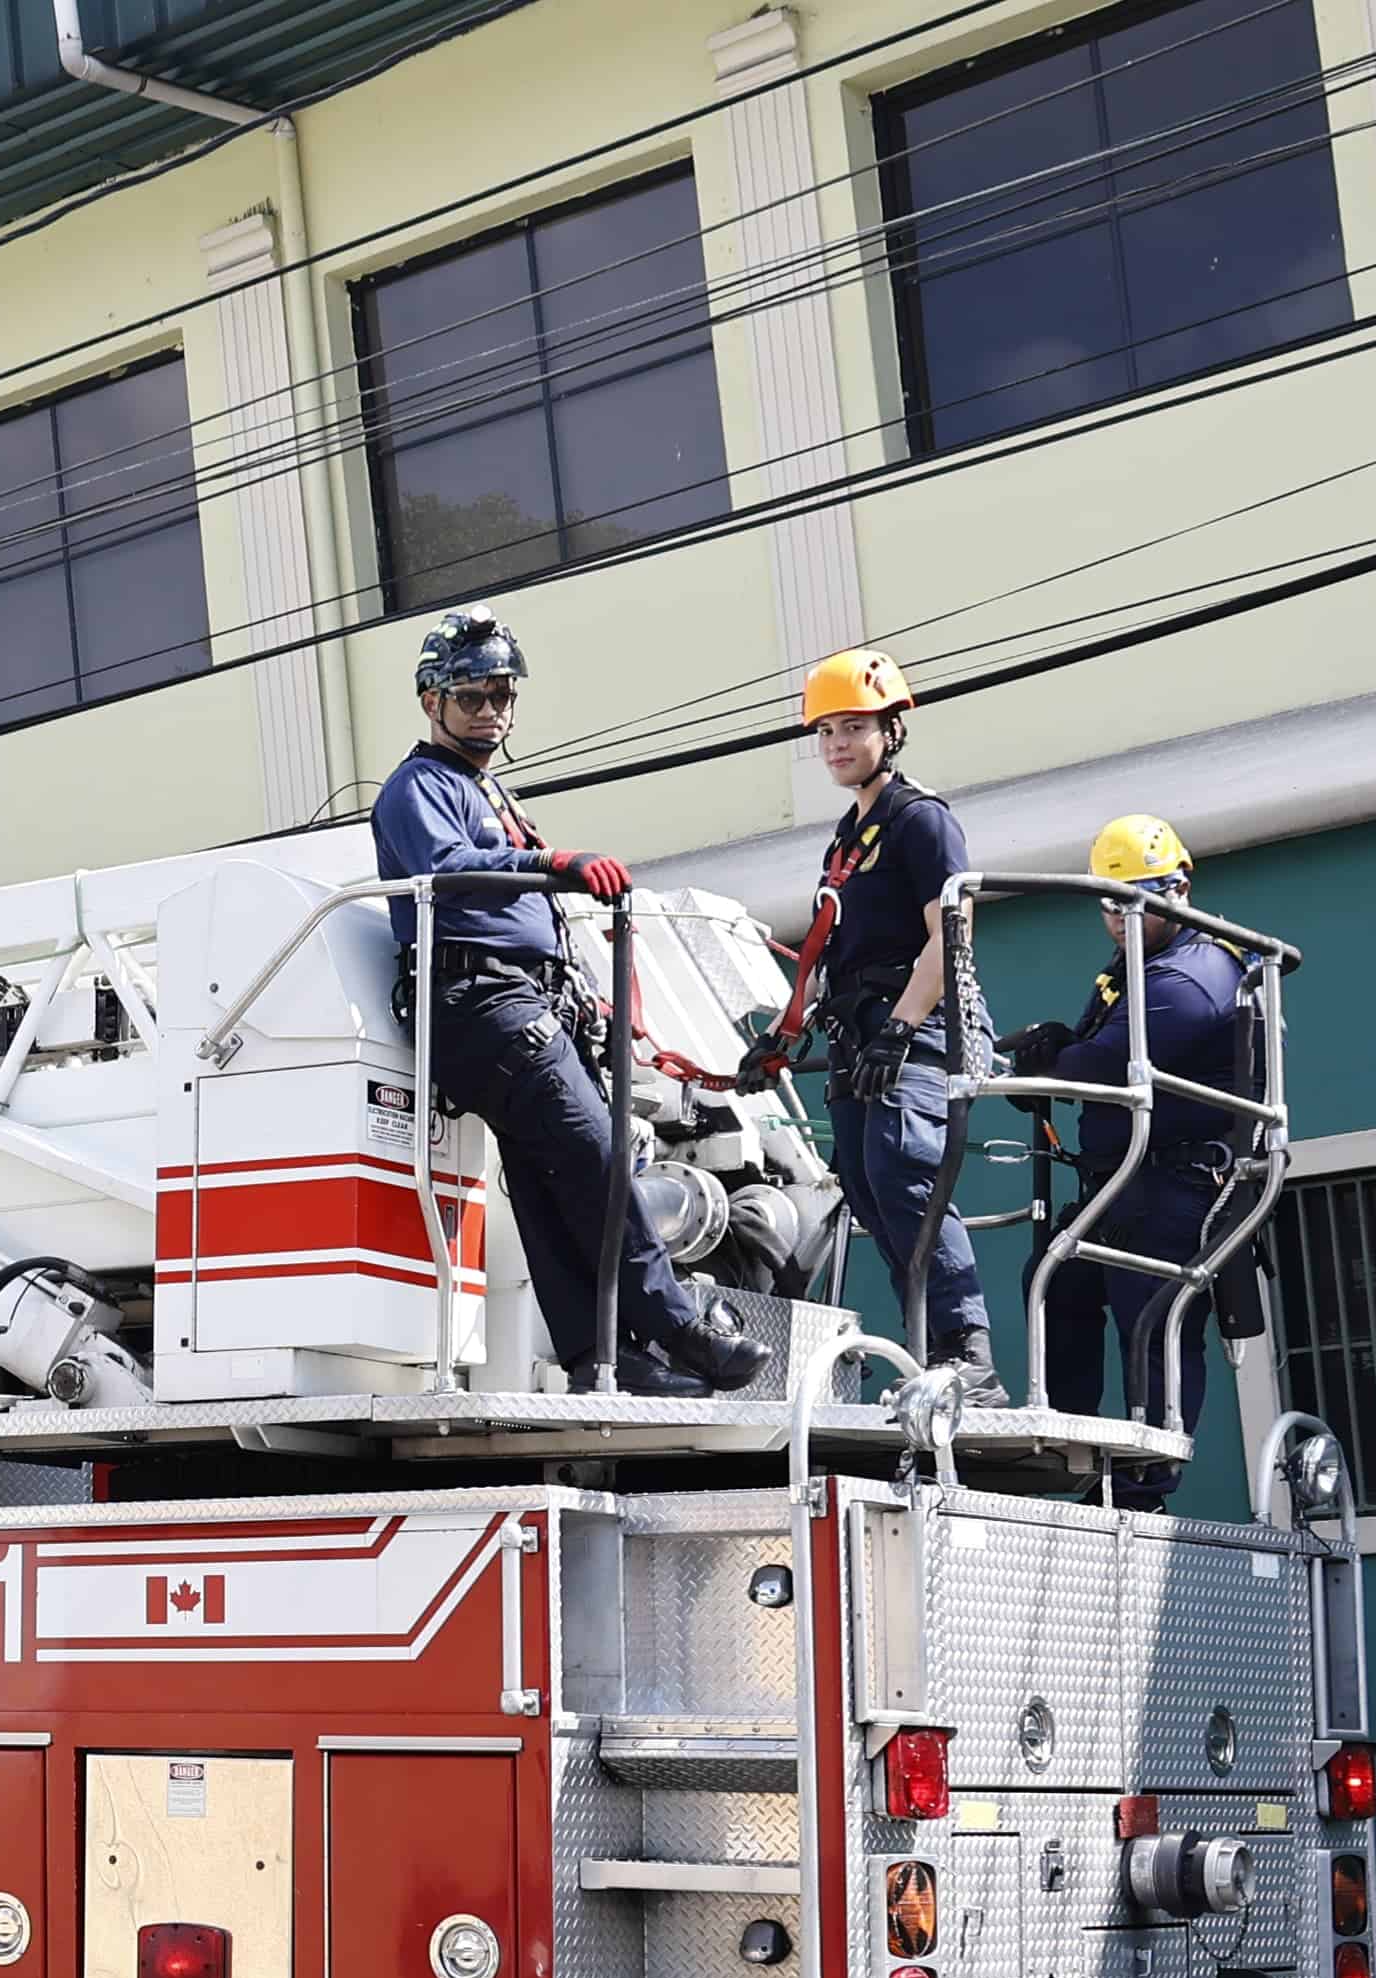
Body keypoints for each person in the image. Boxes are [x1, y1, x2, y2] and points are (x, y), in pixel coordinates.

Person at [367, 608, 765, 1398]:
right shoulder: (419, 788)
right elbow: (451, 867)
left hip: (516, 999)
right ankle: (675, 1322)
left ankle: (601, 1358)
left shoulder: (484, 788)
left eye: (500, 693)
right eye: (470, 695)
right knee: (598, 1156)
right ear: (430, 701)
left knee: (549, 1179)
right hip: (479, 1000)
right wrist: (553, 861)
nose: (488, 709)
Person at [741, 650, 1004, 1402]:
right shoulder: (847, 838)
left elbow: (950, 937)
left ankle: (969, 1353)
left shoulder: (920, 821)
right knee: (863, 1180)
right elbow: (831, 949)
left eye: (853, 728)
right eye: (825, 733)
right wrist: (783, 1038)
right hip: (861, 1031)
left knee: (906, 1173)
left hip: (915, 1028)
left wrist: (900, 1027)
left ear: (892, 730)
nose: (837, 746)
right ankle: (931, 1349)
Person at [1004, 817, 1264, 1508]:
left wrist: (1054, 1061)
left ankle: (1147, 1478)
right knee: (1057, 1284)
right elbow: (1093, 1043)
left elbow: (1106, 1059)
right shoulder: (1137, 969)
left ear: (1177, 889)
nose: (1119, 918)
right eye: (1110, 904)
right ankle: (1071, 1447)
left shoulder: (1196, 974)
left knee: (1152, 1322)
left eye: (1135, 900)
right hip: (1120, 1182)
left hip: (1172, 1186)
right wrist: (1056, 1049)